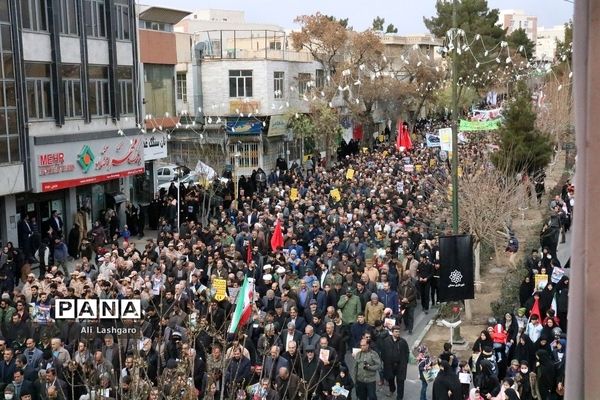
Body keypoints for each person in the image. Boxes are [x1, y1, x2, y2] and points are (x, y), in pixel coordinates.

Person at [381, 326, 409, 400]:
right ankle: (392, 390)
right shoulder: (386, 341)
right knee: (390, 379)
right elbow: (383, 352)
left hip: (400, 365)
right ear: (392, 332)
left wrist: (405, 362)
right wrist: (385, 361)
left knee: (400, 382)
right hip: (390, 365)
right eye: (396, 332)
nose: (398, 333)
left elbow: (407, 352)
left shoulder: (403, 342)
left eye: (398, 332)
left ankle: (399, 397)